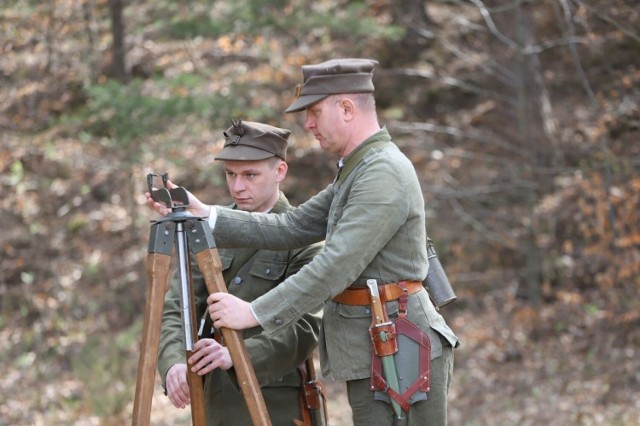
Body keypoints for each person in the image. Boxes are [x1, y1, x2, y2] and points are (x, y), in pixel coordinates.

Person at [148, 58, 459, 425]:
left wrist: (254, 312)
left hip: (401, 346)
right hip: (380, 344)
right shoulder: (359, 169)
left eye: (314, 112)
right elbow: (290, 226)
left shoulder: (382, 171)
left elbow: (337, 265)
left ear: (346, 108)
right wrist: (206, 214)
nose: (308, 124)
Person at [155, 120, 324, 426]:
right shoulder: (210, 227)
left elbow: (305, 327)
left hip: (275, 404)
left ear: (280, 172)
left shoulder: (304, 237)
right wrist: (173, 363)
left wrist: (239, 354)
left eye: (250, 175)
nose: (237, 187)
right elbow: (178, 304)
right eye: (230, 174)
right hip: (214, 403)